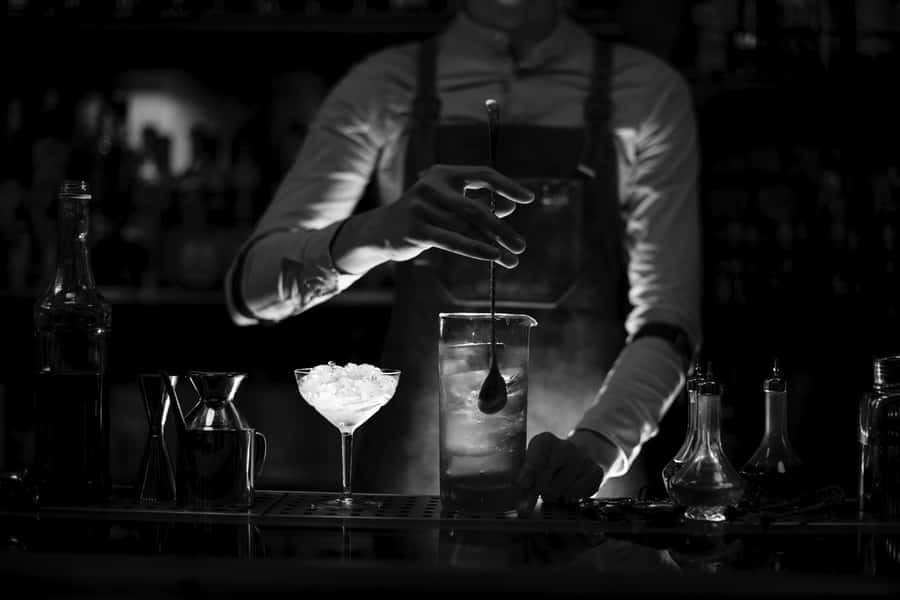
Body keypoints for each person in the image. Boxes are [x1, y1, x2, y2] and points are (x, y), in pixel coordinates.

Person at [225, 0, 701, 510]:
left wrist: (602, 442)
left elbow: (670, 319)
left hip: (587, 489)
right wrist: (378, 233)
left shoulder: (646, 94)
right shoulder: (385, 86)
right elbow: (251, 292)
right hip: (414, 493)